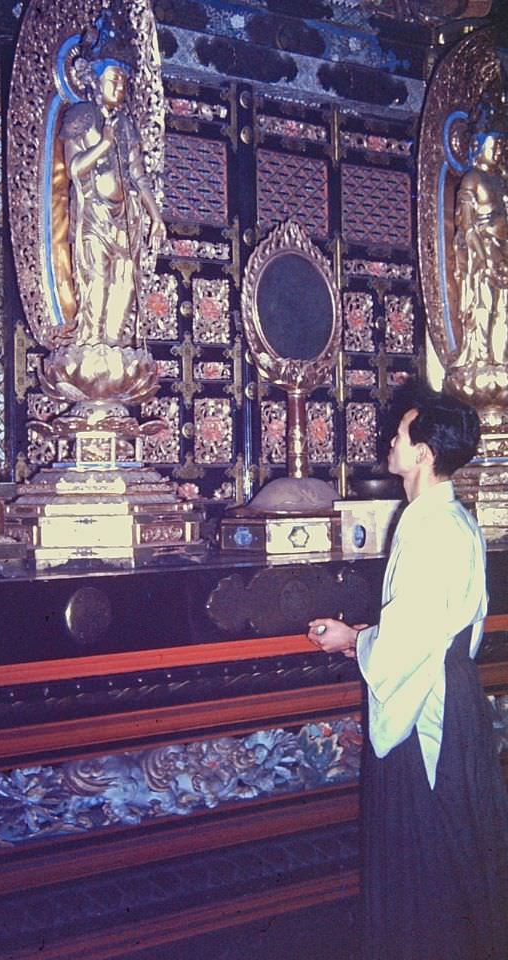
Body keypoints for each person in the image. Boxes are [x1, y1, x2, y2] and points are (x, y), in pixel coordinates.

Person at [307, 387, 508, 960]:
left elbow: (411, 642)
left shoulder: (433, 528)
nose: (392, 439)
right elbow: (429, 627)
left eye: (402, 432)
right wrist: (367, 643)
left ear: (423, 453)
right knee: (450, 842)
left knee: (430, 846)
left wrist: (357, 639)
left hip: (426, 705)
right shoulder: (443, 518)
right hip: (443, 686)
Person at [59, 57, 166, 348]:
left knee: (126, 281)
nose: (119, 86)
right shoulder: (80, 117)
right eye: (113, 79)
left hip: (127, 214)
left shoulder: (126, 126)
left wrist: (156, 217)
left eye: (123, 81)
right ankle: (93, 343)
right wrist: (104, 145)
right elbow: (74, 168)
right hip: (94, 212)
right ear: (95, 81)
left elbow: (138, 175)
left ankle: (114, 344)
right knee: (98, 279)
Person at [452, 129, 508, 367]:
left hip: (502, 250)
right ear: (478, 146)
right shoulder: (472, 178)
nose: (496, 151)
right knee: (483, 304)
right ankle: (481, 356)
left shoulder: (500, 181)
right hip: (479, 251)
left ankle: (501, 355)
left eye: (499, 147)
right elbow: (466, 224)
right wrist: (483, 256)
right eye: (492, 145)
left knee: (503, 309)